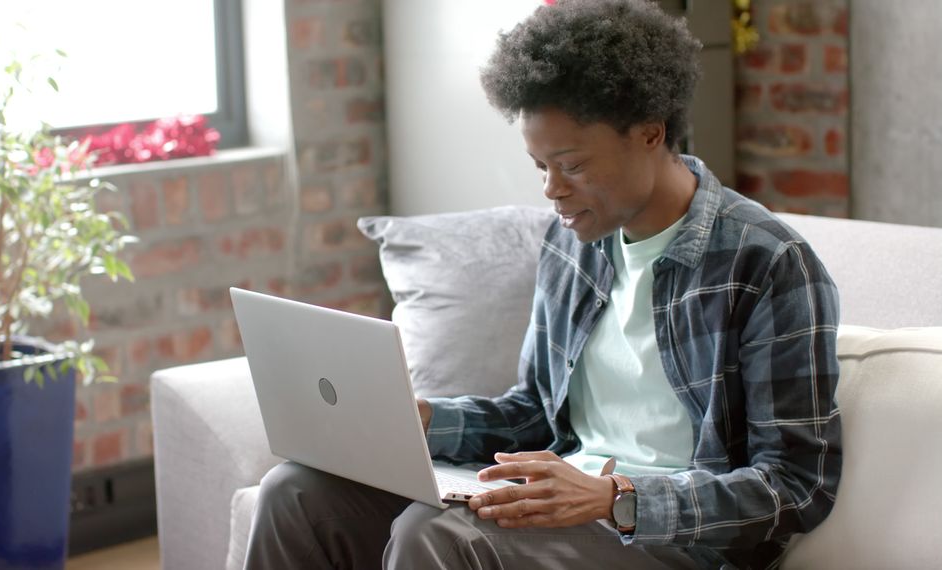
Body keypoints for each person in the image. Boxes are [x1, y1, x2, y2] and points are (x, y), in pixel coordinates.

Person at [244, 0, 841, 568]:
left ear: (651, 133)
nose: (552, 189)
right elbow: (533, 414)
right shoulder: (575, 243)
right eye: (542, 167)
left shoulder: (767, 263)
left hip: (676, 543)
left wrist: (614, 497)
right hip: (559, 506)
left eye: (573, 165)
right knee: (296, 493)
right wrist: (422, 420)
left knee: (438, 537)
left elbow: (794, 485)